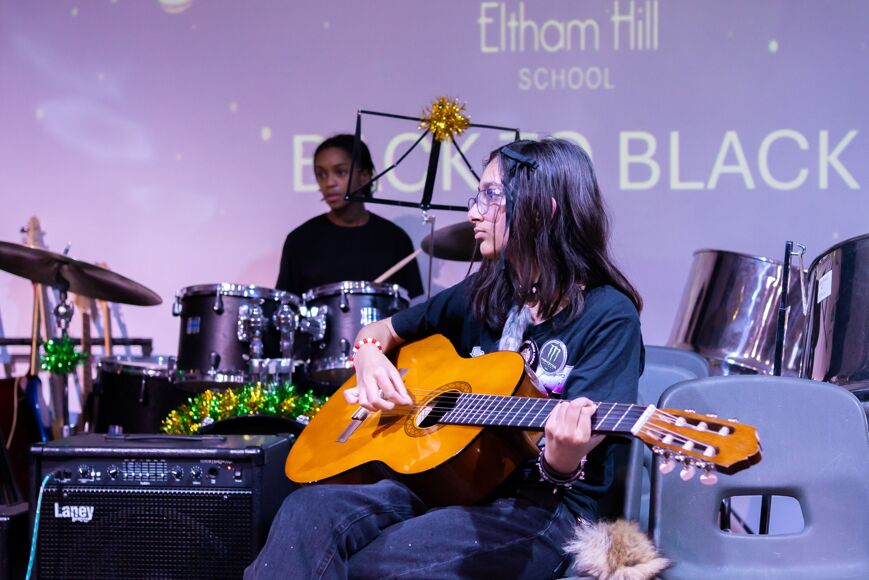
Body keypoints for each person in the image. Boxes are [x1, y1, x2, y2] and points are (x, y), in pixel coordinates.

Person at [248, 138, 644, 579]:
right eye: (478, 196)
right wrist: (368, 358)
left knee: (371, 567)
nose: (474, 213)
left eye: (491, 196)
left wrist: (562, 455)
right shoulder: (486, 290)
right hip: (445, 482)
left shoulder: (608, 315)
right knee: (306, 511)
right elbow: (379, 331)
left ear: (542, 210)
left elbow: (576, 448)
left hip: (540, 506)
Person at [275, 134, 424, 298]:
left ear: (365, 176)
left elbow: (412, 307)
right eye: (321, 174)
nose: (329, 183)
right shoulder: (300, 241)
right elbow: (286, 306)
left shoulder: (395, 239)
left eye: (340, 172)